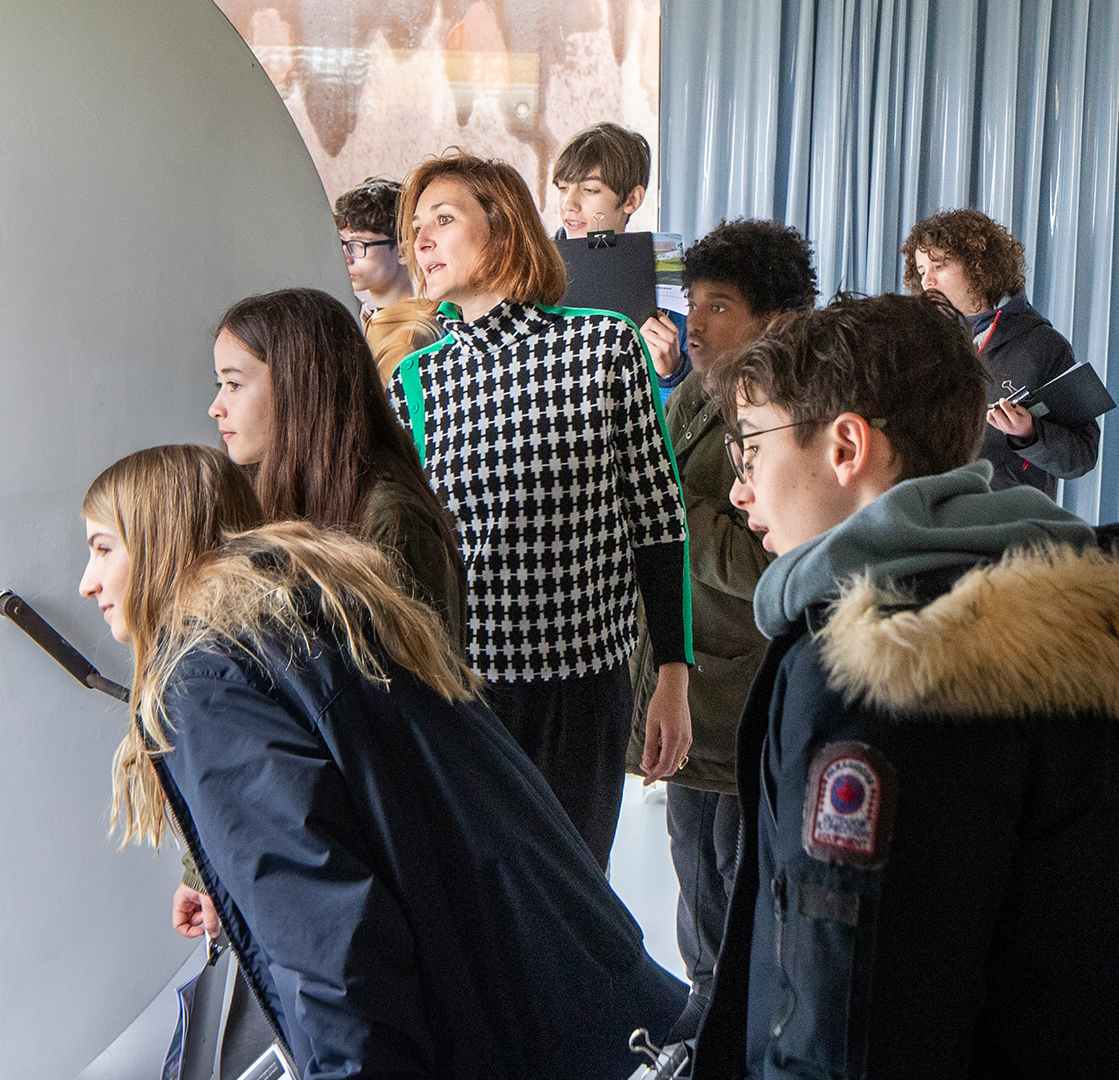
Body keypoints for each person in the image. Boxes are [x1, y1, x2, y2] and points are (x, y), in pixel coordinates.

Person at [78, 444, 688, 1080]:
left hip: (482, 1022)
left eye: (102, 548)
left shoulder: (205, 680)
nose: (88, 582)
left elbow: (328, 929)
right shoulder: (318, 613)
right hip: (559, 979)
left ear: (159, 541)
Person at [692, 293, 1119, 1078]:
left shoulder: (871, 672)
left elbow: (847, 1012)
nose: (739, 489)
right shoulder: (1061, 605)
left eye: (750, 449)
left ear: (847, 445)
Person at [390, 151, 694, 868]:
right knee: (486, 900)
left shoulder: (602, 345)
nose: (421, 241)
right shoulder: (416, 380)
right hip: (464, 687)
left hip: (584, 686)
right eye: (414, 229)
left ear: (502, 227)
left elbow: (658, 519)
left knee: (578, 890)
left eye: (443, 219)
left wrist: (674, 676)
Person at [620, 219, 816, 1040]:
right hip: (684, 678)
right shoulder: (699, 391)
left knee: (742, 888)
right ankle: (702, 1021)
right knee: (695, 875)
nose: (693, 323)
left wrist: (671, 513)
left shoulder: (792, 409)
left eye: (720, 306)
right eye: (691, 302)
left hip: (741, 683)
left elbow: (778, 559)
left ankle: (730, 1031)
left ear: (778, 317)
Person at [207, 288, 465, 641]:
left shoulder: (391, 518)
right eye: (220, 384)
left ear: (298, 386)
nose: (216, 407)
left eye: (234, 384)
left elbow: (419, 685)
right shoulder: (249, 496)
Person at [903, 208, 1099, 499]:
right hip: (934, 522)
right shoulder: (919, 342)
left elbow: (1082, 455)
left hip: (1011, 528)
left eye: (940, 266)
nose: (927, 281)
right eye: (921, 272)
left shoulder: (1043, 345)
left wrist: (1030, 433)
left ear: (978, 266)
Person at [551, 121, 688, 391]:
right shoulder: (530, 272)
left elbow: (684, 419)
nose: (569, 204)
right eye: (563, 188)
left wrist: (671, 374)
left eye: (589, 190)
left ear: (631, 200)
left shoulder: (669, 282)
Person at [334, 178, 443, 378]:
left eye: (359, 245)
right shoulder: (372, 318)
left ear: (403, 252)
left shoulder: (406, 340)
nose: (346, 257)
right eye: (342, 242)